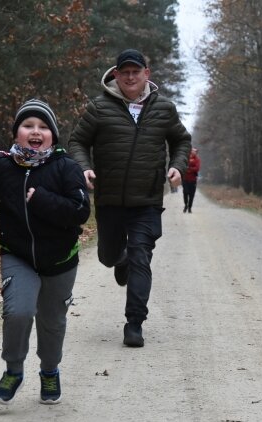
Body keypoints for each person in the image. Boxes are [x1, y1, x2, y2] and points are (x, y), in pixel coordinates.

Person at [68, 49, 191, 347]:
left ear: (146, 74)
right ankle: (118, 259)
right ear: (116, 75)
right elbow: (77, 141)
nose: (131, 76)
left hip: (146, 201)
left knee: (141, 258)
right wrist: (83, 169)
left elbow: (181, 141)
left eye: (136, 71)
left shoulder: (164, 108)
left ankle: (134, 323)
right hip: (109, 200)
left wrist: (177, 166)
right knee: (108, 256)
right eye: (125, 72)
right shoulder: (99, 108)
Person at [0, 99, 90, 405]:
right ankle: (13, 369)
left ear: (53, 135)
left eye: (43, 127)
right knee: (18, 312)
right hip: (17, 254)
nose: (35, 132)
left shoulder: (67, 168)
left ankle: (49, 371)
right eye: (28, 126)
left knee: (52, 321)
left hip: (60, 259)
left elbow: (80, 211)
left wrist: (42, 200)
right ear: (16, 133)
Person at [183, 147, 200, 213]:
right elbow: (183, 166)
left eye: (194, 151)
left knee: (191, 194)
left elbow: (197, 168)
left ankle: (190, 207)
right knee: (185, 192)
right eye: (192, 150)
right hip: (185, 179)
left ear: (196, 152)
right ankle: (185, 205)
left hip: (193, 180)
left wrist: (189, 169)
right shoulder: (186, 158)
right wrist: (190, 168)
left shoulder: (197, 159)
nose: (193, 152)